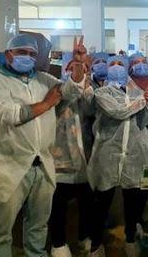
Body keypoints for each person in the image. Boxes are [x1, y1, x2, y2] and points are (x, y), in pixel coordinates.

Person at [0, 34, 86, 257]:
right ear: (8, 54)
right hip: (8, 167)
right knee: (0, 235)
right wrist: (47, 103)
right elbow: (9, 114)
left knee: (38, 229)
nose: (28, 58)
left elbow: (71, 91)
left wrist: (78, 64)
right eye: (22, 52)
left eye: (33, 54)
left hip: (42, 165)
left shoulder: (41, 79)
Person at [87, 55, 148, 257]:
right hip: (108, 155)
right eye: (112, 64)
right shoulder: (101, 93)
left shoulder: (137, 92)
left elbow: (144, 122)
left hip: (133, 157)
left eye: (120, 64)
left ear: (128, 69)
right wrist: (143, 100)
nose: (116, 67)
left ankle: (129, 238)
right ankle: (96, 244)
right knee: (101, 204)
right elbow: (118, 112)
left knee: (132, 204)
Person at [49, 61, 95, 257]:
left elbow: (92, 109)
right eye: (76, 70)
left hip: (84, 163)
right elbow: (68, 92)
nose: (81, 76)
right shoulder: (57, 92)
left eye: (84, 72)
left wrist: (87, 85)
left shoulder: (89, 94)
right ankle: (58, 243)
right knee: (58, 206)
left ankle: (84, 236)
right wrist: (78, 78)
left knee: (86, 203)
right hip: (61, 162)